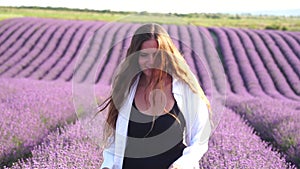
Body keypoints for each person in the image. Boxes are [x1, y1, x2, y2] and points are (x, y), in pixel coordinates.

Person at [98, 23, 212, 169]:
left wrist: (182, 164)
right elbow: (114, 141)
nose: (151, 62)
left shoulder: (185, 88)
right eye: (144, 55)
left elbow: (200, 138)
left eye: (157, 55)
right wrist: (107, 166)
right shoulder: (126, 89)